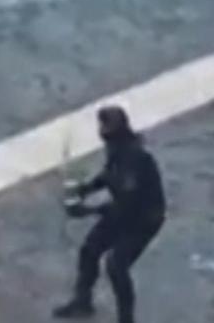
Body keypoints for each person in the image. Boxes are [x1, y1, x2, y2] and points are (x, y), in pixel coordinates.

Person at [54, 105, 166, 323]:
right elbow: (109, 175)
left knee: (116, 265)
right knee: (89, 250)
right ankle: (83, 302)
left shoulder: (135, 159)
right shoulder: (118, 150)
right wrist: (86, 188)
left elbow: (127, 203)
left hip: (144, 220)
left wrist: (87, 210)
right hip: (124, 212)